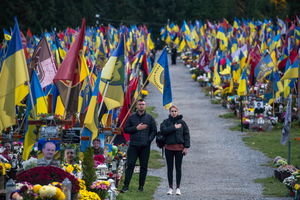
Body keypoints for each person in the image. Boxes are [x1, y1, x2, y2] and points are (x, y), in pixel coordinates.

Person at [120, 99, 157, 193]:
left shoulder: (149, 118)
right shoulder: (131, 117)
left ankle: (141, 186)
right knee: (130, 165)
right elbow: (125, 129)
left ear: (145, 106)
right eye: (140, 104)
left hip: (145, 146)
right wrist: (136, 128)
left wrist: (149, 140)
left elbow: (154, 130)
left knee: (143, 166)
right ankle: (126, 186)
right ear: (136, 106)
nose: (141, 106)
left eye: (143, 104)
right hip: (133, 145)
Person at [160, 105, 190, 195]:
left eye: (175, 111)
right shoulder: (165, 122)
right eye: (172, 111)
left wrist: (186, 147)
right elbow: (163, 131)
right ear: (169, 112)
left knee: (178, 168)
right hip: (169, 148)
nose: (173, 113)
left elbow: (186, 135)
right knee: (170, 168)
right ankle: (170, 187)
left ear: (178, 112)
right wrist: (174, 127)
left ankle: (178, 188)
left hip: (179, 148)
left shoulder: (182, 123)